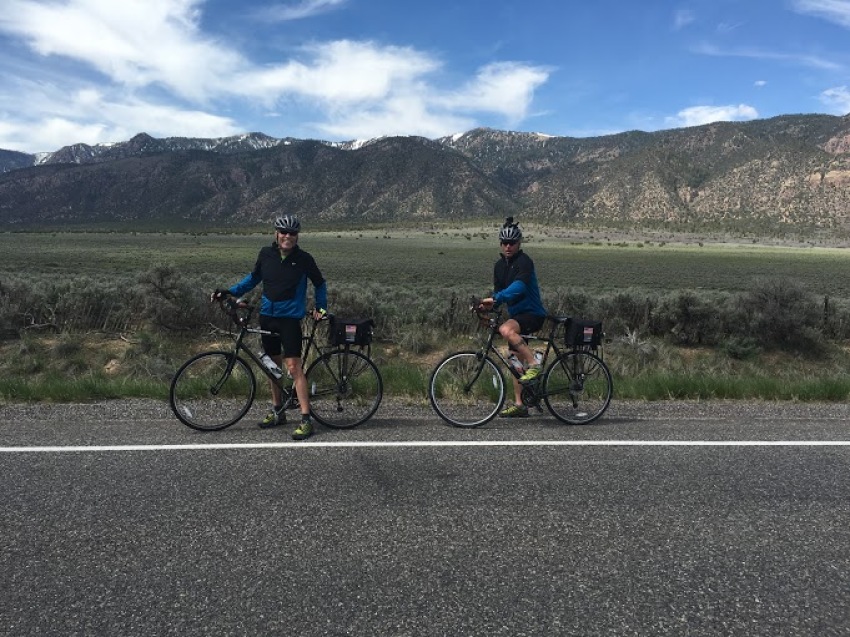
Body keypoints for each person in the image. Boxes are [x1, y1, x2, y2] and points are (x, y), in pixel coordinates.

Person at [212, 215, 327, 440]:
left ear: (297, 236)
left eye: (292, 233)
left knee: (293, 367)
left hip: (290, 319)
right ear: (276, 233)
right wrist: (231, 292)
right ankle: (278, 412)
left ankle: (306, 419)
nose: (287, 237)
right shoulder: (266, 254)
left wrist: (321, 308)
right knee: (272, 367)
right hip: (268, 317)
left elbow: (320, 283)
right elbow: (253, 278)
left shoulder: (304, 259)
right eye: (283, 232)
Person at [479, 217, 547, 418]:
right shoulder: (499, 266)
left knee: (506, 330)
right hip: (518, 315)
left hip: (533, 314)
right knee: (514, 361)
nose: (508, 246)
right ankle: (520, 405)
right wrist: (486, 306)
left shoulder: (524, 262)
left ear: (519, 244)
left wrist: (496, 298)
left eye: (512, 243)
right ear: (500, 243)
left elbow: (518, 287)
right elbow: (499, 292)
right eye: (505, 243)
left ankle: (535, 365)